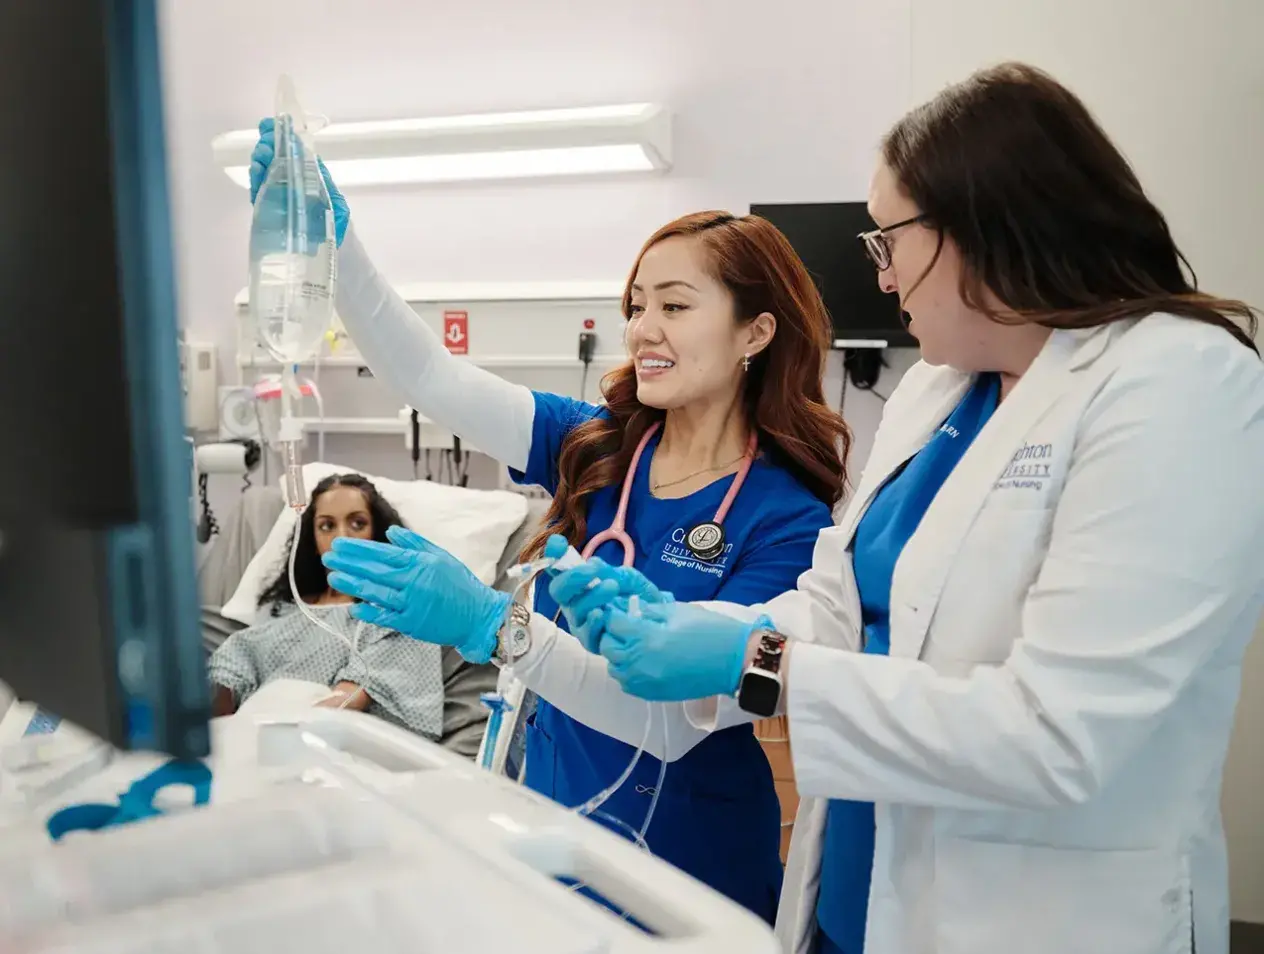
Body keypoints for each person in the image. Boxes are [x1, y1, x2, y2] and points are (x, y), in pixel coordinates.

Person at [541, 62, 1264, 954]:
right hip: (863, 890)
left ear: (979, 230)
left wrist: (754, 661)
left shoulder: (1176, 383)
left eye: (887, 242)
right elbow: (839, 605)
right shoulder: (934, 392)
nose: (882, 281)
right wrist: (703, 627)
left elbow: (1063, 732)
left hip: (1036, 914)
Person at [246, 120, 851, 922]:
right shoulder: (595, 444)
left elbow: (667, 723)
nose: (643, 331)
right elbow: (427, 373)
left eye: (675, 305)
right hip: (549, 837)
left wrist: (496, 625)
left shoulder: (789, 520)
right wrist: (338, 252)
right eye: (636, 306)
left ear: (756, 331)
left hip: (690, 877)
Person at [209, 473, 494, 757]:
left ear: (376, 531)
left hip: (318, 744)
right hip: (249, 733)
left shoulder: (394, 614)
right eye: (326, 526)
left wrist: (277, 746)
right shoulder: (280, 610)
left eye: (357, 523)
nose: (341, 538)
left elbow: (347, 701)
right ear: (312, 537)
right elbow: (228, 678)